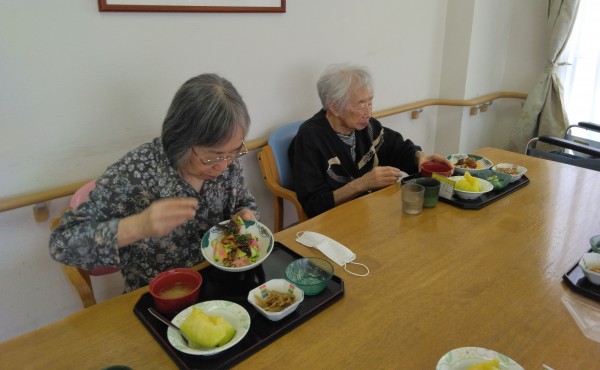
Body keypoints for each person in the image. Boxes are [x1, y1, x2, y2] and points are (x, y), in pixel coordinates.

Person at [49, 74, 258, 292]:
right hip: (159, 297)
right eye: (213, 156)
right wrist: (138, 226)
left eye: (234, 152)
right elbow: (62, 244)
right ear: (182, 140)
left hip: (223, 283)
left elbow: (244, 203)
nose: (223, 166)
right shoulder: (135, 173)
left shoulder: (228, 162)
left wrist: (246, 215)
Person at [288, 64, 453, 218]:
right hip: (334, 220)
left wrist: (420, 157)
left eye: (370, 102)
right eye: (361, 105)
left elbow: (398, 149)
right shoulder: (310, 138)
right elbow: (313, 204)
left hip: (367, 212)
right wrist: (362, 184)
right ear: (335, 107)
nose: (368, 113)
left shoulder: (367, 127)